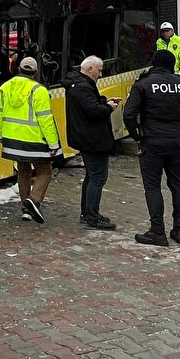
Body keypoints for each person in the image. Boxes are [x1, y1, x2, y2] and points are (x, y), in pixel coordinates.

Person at [122, 49, 180, 247]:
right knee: (178, 184)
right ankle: (179, 229)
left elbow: (128, 114)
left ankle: (157, 232)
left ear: (154, 63)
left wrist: (137, 134)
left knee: (153, 186)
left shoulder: (143, 84)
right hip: (178, 139)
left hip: (152, 140)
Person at [0, 56, 61, 225]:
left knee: (23, 171)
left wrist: (0, 135)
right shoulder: (39, 90)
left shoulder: (4, 87)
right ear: (36, 72)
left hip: (12, 139)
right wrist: (53, 143)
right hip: (34, 140)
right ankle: (34, 200)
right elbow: (45, 119)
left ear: (18, 69)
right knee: (45, 171)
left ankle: (25, 209)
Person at [63, 56, 120, 230]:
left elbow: (89, 106)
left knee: (92, 175)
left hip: (85, 137)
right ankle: (92, 216)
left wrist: (104, 101)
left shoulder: (77, 84)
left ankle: (87, 213)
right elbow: (93, 111)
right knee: (98, 177)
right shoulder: (83, 86)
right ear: (89, 69)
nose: (100, 74)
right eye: (99, 70)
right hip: (92, 139)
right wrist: (108, 107)